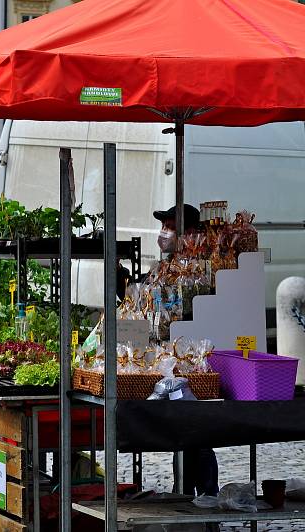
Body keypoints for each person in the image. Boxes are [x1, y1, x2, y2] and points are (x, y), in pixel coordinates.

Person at [151, 204, 218, 497]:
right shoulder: (169, 265)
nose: (164, 233)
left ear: (189, 232)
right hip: (172, 361)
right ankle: (187, 493)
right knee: (187, 433)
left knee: (199, 432)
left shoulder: (203, 268)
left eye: (169, 227)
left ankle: (205, 494)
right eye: (163, 226)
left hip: (195, 364)